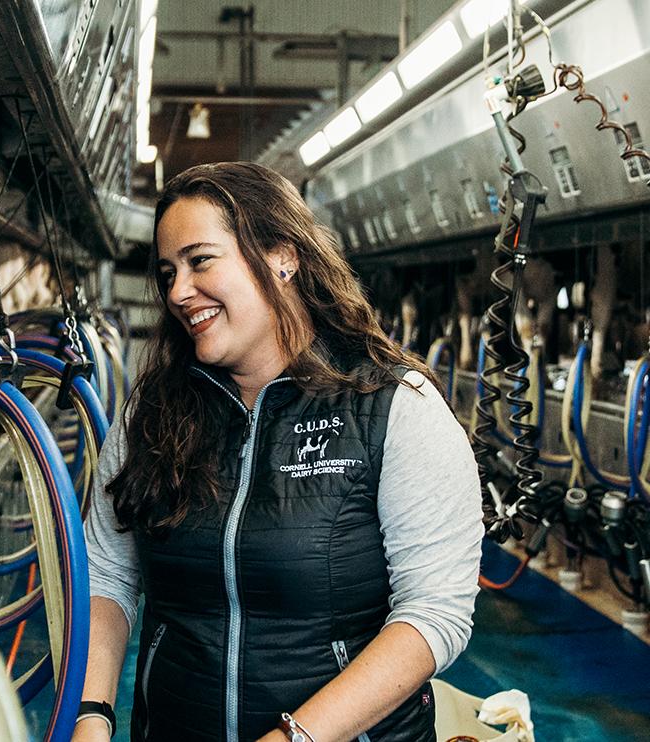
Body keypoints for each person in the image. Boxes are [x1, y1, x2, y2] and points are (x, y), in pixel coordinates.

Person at [74, 162, 482, 742]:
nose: (178, 292)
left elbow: (433, 614)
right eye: (167, 272)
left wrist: (297, 737)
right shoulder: (154, 412)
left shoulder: (392, 407)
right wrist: (92, 714)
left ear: (281, 256)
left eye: (200, 260)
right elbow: (108, 574)